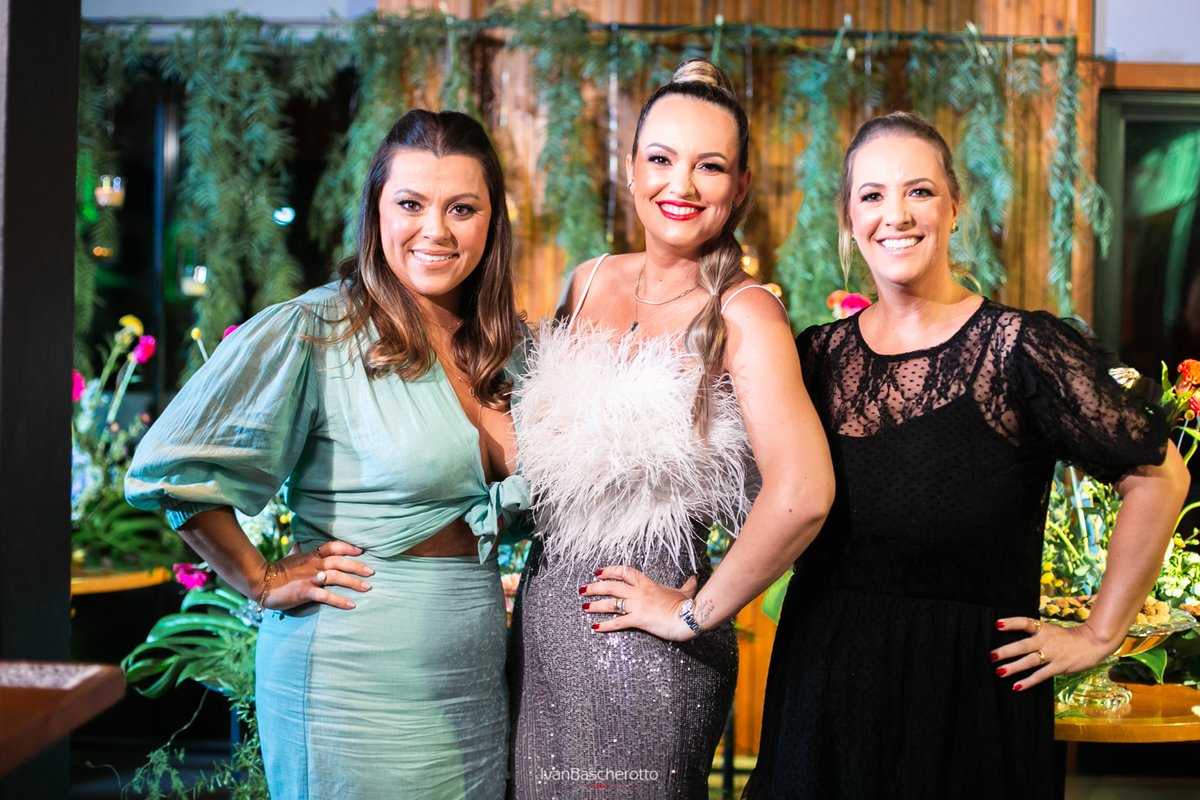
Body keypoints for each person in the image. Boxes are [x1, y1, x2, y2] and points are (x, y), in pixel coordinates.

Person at [739, 112, 1191, 799]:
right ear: (850, 221)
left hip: (967, 707)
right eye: (872, 195)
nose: (896, 214)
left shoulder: (1022, 350)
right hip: (823, 696)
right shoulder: (814, 356)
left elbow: (1159, 477)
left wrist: (1101, 633)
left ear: (955, 209)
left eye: (919, 191)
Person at [126, 110, 529, 800]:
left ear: (492, 222)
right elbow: (172, 468)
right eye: (411, 204)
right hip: (351, 675)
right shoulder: (316, 330)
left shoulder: (507, 349)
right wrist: (258, 579)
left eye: (462, 208)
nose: (436, 230)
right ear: (376, 212)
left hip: (475, 680)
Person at [507, 60, 835, 799]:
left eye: (709, 166)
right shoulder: (586, 279)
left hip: (647, 658)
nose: (680, 184)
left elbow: (805, 494)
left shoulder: (746, 313)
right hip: (541, 636)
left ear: (740, 187)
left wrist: (693, 614)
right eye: (661, 159)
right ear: (630, 169)